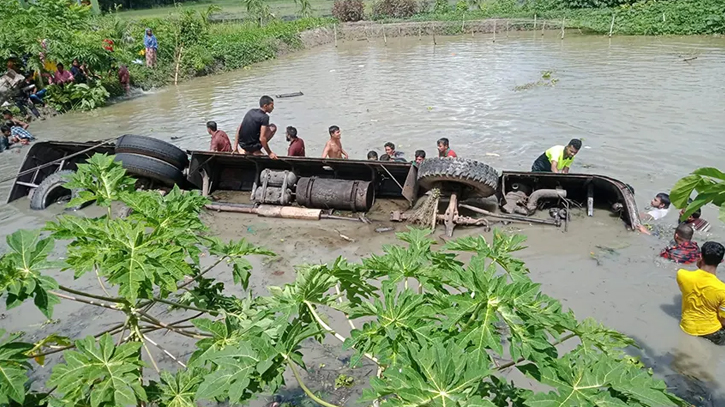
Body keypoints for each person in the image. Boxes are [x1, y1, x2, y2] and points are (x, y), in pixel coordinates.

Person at [677, 241, 725, 345]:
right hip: (712, 333)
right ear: (721, 261)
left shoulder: (682, 275)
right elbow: (723, 320)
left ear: (700, 256)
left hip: (687, 327)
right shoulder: (722, 289)